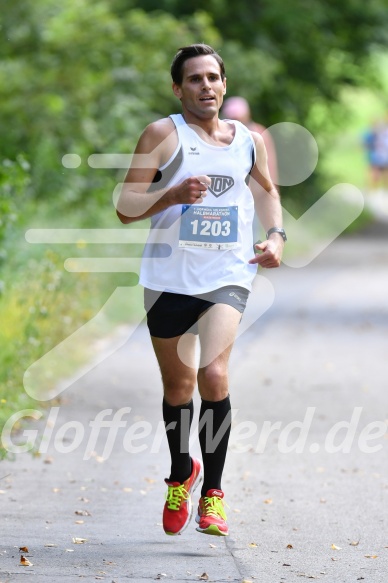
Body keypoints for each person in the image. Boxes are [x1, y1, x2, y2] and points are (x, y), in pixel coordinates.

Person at [116, 44, 286, 537]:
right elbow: (126, 206)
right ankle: (179, 474)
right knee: (179, 387)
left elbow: (267, 193)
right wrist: (169, 195)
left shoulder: (248, 140)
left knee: (213, 374)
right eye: (194, 79)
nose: (206, 86)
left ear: (224, 85)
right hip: (168, 278)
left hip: (228, 274)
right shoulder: (162, 135)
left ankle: (212, 492)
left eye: (213, 77)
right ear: (178, 88)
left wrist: (275, 236)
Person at [221, 96, 278, 185]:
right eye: (232, 118)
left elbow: (270, 167)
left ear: (247, 115)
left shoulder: (260, 133)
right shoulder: (219, 136)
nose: (236, 122)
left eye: (238, 118)